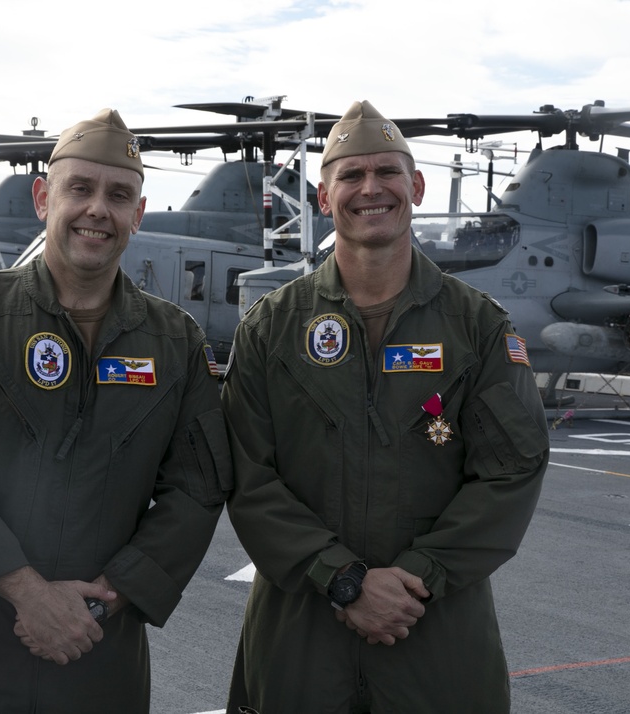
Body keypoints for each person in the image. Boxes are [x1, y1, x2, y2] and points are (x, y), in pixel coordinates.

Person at [0, 108, 233, 713]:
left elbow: (197, 487)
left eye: (119, 196)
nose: (98, 210)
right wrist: (27, 593)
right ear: (43, 197)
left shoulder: (175, 343)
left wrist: (105, 598)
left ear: (137, 215)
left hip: (95, 640)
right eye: (79, 189)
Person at [222, 100, 549, 713]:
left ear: (416, 187)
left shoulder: (476, 325)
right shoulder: (272, 327)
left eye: (387, 173)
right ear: (324, 197)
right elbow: (246, 476)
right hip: (300, 631)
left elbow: (512, 469)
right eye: (350, 176)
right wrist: (342, 580)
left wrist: (417, 577)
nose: (370, 188)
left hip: (434, 630)